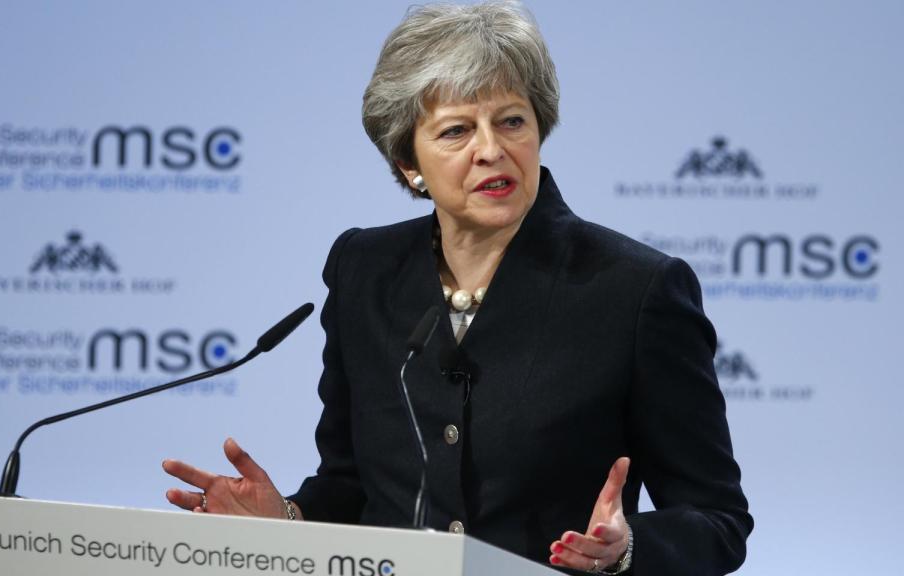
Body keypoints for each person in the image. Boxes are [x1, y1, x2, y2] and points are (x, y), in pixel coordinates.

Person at [162, 2, 752, 574]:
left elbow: (718, 520)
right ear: (408, 164)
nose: (491, 149)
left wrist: (625, 550)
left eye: (512, 121)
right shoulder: (363, 270)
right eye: (456, 130)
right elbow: (351, 487)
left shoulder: (636, 290)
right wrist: (287, 520)